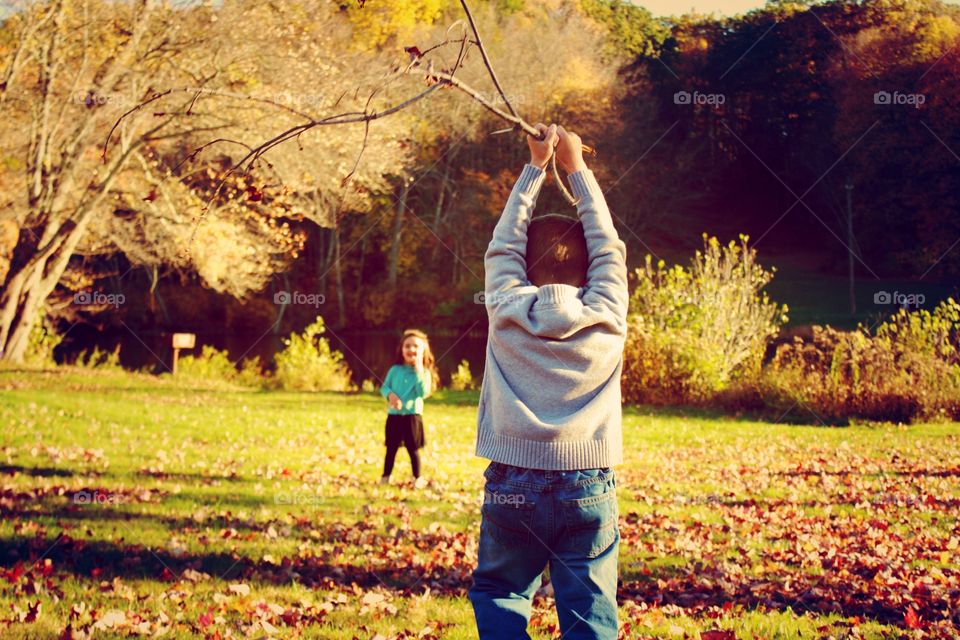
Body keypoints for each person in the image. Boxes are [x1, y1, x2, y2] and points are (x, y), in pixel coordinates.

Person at [468, 123, 629, 640]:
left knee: (502, 592)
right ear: (590, 273)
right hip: (587, 479)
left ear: (522, 272)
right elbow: (609, 245)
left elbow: (502, 245)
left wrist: (534, 169)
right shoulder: (607, 313)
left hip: (513, 479)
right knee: (590, 606)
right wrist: (575, 169)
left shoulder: (507, 310)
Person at [379, 328, 440, 489]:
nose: (411, 349)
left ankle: (417, 477)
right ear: (402, 349)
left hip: (412, 416)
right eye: (407, 346)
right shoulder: (395, 370)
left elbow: (422, 392)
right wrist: (390, 395)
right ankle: (386, 476)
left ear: (423, 351)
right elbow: (384, 388)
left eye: (416, 346)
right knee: (391, 448)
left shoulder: (424, 373)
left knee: (413, 449)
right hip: (394, 416)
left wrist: (419, 371)